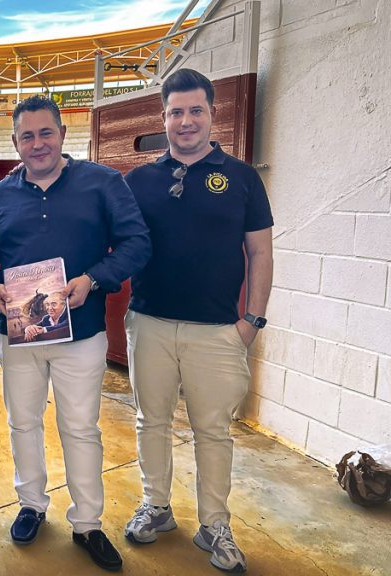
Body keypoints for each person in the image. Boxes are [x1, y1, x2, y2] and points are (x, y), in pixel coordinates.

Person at [0, 94, 150, 571]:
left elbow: (136, 243)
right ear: (15, 142)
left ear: (63, 134)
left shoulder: (103, 183)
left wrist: (93, 280)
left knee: (80, 428)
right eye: (27, 135)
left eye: (46, 132)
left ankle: (87, 523)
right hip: (20, 334)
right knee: (22, 422)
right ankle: (31, 504)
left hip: (81, 333)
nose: (37, 143)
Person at [122, 68, 273, 574]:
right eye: (175, 111)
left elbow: (260, 253)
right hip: (150, 324)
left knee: (213, 431)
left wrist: (251, 320)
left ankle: (215, 525)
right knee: (151, 421)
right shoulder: (138, 181)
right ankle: (157, 507)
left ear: (213, 115)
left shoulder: (242, 178)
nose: (185, 121)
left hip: (216, 331)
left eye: (195, 110)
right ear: (162, 117)